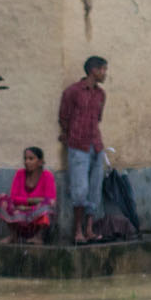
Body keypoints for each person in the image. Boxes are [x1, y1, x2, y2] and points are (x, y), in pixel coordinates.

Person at [58, 55, 109, 243]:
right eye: (103, 70)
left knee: (95, 189)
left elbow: (98, 118)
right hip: (78, 145)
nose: (105, 74)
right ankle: (77, 230)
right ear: (93, 70)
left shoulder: (101, 94)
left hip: (96, 145)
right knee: (80, 190)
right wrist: (69, 135)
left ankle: (89, 228)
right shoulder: (73, 92)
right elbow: (64, 117)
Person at [0, 146, 56, 244]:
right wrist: (33, 201)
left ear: (40, 162)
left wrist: (25, 207)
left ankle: (38, 237)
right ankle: (14, 235)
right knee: (1, 198)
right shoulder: (20, 174)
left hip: (37, 219)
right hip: (19, 217)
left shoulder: (47, 176)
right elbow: (13, 198)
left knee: (49, 203)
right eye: (25, 159)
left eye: (31, 159)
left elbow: (49, 199)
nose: (26, 162)